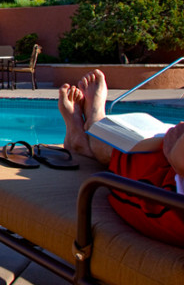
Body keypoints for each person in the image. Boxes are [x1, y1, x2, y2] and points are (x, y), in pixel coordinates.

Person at [58, 69, 184, 245]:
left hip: (172, 205)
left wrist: (176, 154)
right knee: (155, 144)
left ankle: (94, 126)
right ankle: (88, 136)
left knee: (137, 155)